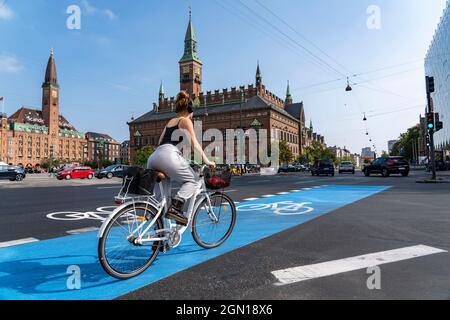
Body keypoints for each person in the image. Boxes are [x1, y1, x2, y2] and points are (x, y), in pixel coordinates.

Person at [147, 91, 216, 226]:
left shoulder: (170, 122)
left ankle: (161, 238)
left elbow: (161, 142)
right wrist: (207, 161)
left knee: (162, 201)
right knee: (194, 180)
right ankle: (176, 207)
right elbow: (194, 142)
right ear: (190, 110)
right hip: (168, 155)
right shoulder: (185, 120)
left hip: (154, 157)